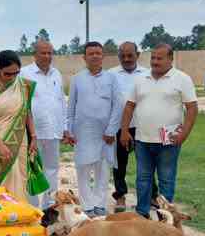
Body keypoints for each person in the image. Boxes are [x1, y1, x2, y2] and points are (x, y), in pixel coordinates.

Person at [120, 43, 198, 219]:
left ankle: (165, 217)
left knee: (166, 180)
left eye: (159, 58)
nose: (155, 61)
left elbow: (192, 108)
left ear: (170, 59)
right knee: (143, 179)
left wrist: (184, 133)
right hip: (142, 139)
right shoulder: (140, 79)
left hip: (169, 141)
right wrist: (124, 130)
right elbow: (129, 105)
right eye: (153, 58)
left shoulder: (182, 79)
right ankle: (142, 214)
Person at [66, 41, 123, 217]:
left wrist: (111, 130)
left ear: (103, 56)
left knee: (103, 170)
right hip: (82, 132)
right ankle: (87, 206)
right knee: (83, 169)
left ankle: (99, 204)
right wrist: (69, 130)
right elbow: (71, 107)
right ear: (84, 57)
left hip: (105, 134)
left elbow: (118, 105)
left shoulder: (112, 78)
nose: (95, 56)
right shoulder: (77, 79)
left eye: (98, 53)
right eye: (91, 53)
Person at [0, 50, 38, 202]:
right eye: (7, 74)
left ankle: (18, 210)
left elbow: (27, 112)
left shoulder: (23, 85)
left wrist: (33, 137)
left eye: (16, 73)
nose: (12, 77)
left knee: (19, 177)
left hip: (18, 139)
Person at [108, 41, 157, 212]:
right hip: (120, 126)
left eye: (130, 55)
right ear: (118, 56)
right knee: (119, 164)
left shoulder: (148, 73)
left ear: (138, 55)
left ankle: (152, 196)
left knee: (147, 164)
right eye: (123, 56)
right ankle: (120, 196)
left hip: (143, 126)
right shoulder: (111, 74)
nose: (126, 59)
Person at [20, 40, 69, 209]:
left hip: (53, 130)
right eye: (43, 53)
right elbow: (22, 103)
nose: (47, 56)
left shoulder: (56, 74)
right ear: (34, 54)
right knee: (32, 169)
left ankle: (49, 206)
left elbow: (61, 101)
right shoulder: (24, 73)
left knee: (52, 168)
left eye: (50, 53)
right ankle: (32, 207)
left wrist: (64, 127)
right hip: (32, 132)